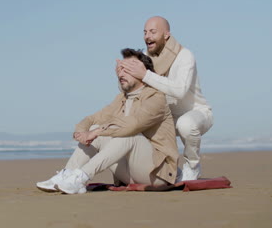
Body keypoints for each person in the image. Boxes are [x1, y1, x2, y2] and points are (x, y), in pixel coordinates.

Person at [36, 48, 179, 194]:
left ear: (142, 72)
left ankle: (81, 178)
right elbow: (92, 119)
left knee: (128, 135)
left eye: (127, 70)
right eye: (120, 69)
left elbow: (133, 125)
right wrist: (82, 131)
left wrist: (97, 132)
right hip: (130, 174)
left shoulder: (156, 97)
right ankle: (67, 174)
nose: (121, 74)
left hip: (158, 174)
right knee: (98, 128)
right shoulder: (121, 99)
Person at [117, 16, 213, 180]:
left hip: (197, 113)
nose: (147, 36)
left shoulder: (185, 55)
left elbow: (179, 90)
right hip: (167, 117)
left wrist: (145, 75)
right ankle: (171, 171)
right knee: (136, 125)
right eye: (145, 32)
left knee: (186, 124)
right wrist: (122, 74)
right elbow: (133, 89)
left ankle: (193, 167)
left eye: (153, 32)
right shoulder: (143, 58)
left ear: (166, 34)